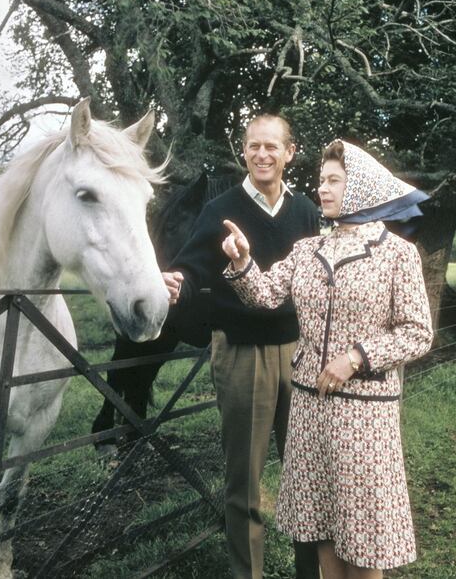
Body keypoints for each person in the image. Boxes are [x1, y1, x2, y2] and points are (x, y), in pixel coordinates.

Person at [221, 139, 432, 579]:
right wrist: (243, 262)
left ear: (362, 187)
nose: (324, 190)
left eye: (335, 181)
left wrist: (356, 357)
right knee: (321, 530)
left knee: (364, 538)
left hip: (365, 417)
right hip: (309, 411)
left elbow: (417, 333)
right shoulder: (307, 250)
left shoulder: (397, 254)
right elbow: (263, 295)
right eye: (321, 181)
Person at [162, 114, 320, 579]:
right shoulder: (222, 209)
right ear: (244, 152)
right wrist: (177, 282)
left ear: (290, 153)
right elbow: (192, 269)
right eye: (253, 146)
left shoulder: (307, 211)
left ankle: (308, 571)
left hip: (299, 353)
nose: (261, 155)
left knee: (304, 475)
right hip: (242, 354)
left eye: (272, 146)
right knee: (244, 481)